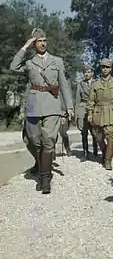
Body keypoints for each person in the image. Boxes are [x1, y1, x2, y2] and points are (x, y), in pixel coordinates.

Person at [10, 28, 74, 194]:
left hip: (52, 104)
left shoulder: (57, 61)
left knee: (48, 141)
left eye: (44, 40)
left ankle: (45, 178)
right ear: (34, 44)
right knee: (33, 141)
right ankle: (40, 166)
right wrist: (25, 46)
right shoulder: (30, 63)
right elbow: (13, 66)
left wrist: (69, 107)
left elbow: (64, 85)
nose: (43, 43)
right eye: (38, 41)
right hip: (33, 104)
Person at [87, 58, 113, 170]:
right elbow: (91, 101)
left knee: (110, 136)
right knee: (98, 137)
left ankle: (108, 160)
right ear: (100, 68)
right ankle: (104, 153)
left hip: (112, 111)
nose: (105, 69)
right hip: (98, 111)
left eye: (107, 67)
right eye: (103, 67)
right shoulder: (95, 84)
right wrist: (89, 113)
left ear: (111, 69)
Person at [75, 64, 98, 161]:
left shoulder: (97, 83)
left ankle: (95, 151)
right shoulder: (80, 84)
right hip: (83, 108)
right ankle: (85, 152)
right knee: (83, 132)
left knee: (94, 132)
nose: (87, 74)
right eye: (85, 72)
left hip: (94, 108)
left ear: (92, 73)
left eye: (89, 72)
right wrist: (76, 114)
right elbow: (77, 100)